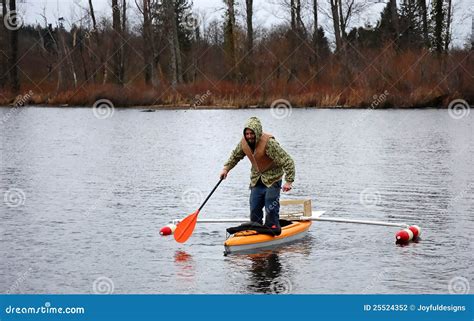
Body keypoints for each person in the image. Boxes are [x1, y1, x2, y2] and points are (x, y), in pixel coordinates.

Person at [220, 117, 295, 231]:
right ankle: (256, 228)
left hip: (273, 178)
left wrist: (289, 181)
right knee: (254, 206)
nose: (249, 136)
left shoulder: (269, 143)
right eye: (247, 133)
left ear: (258, 132)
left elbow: (287, 161)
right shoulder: (243, 143)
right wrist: (226, 169)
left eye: (252, 133)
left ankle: (273, 226)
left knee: (270, 205)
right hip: (256, 179)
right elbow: (235, 156)